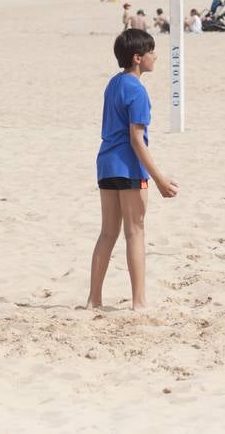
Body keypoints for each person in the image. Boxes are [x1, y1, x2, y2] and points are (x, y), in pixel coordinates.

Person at [86, 29, 179, 311]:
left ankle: (94, 300)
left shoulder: (114, 83)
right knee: (135, 232)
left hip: (106, 162)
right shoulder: (137, 90)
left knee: (107, 233)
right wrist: (159, 178)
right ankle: (139, 302)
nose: (156, 56)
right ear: (138, 58)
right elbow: (137, 140)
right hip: (128, 165)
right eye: (151, 52)